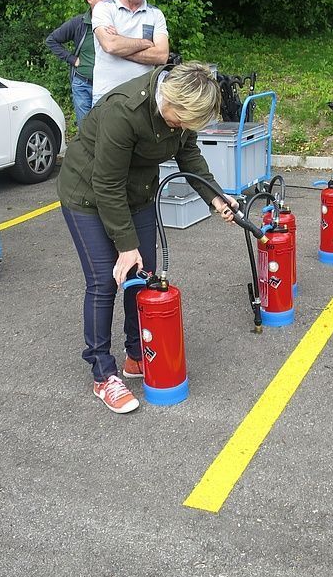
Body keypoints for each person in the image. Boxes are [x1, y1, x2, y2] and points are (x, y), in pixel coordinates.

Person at [57, 61, 238, 413]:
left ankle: (136, 355)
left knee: (144, 276)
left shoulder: (181, 113)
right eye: (180, 120)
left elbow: (188, 155)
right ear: (169, 99)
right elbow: (106, 184)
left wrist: (216, 197)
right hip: (87, 194)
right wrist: (125, 246)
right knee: (105, 280)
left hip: (136, 193)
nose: (181, 127)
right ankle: (103, 374)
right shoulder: (124, 111)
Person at [90, 0, 169, 104]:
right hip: (107, 97)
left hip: (142, 99)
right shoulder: (104, 8)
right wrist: (145, 43)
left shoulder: (155, 14)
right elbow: (110, 45)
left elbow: (161, 56)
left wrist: (120, 43)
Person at [44, 0, 113, 127]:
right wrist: (72, 59)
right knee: (85, 129)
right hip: (83, 85)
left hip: (107, 85)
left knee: (106, 129)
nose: (108, 1)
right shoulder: (79, 23)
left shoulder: (115, 23)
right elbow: (51, 40)